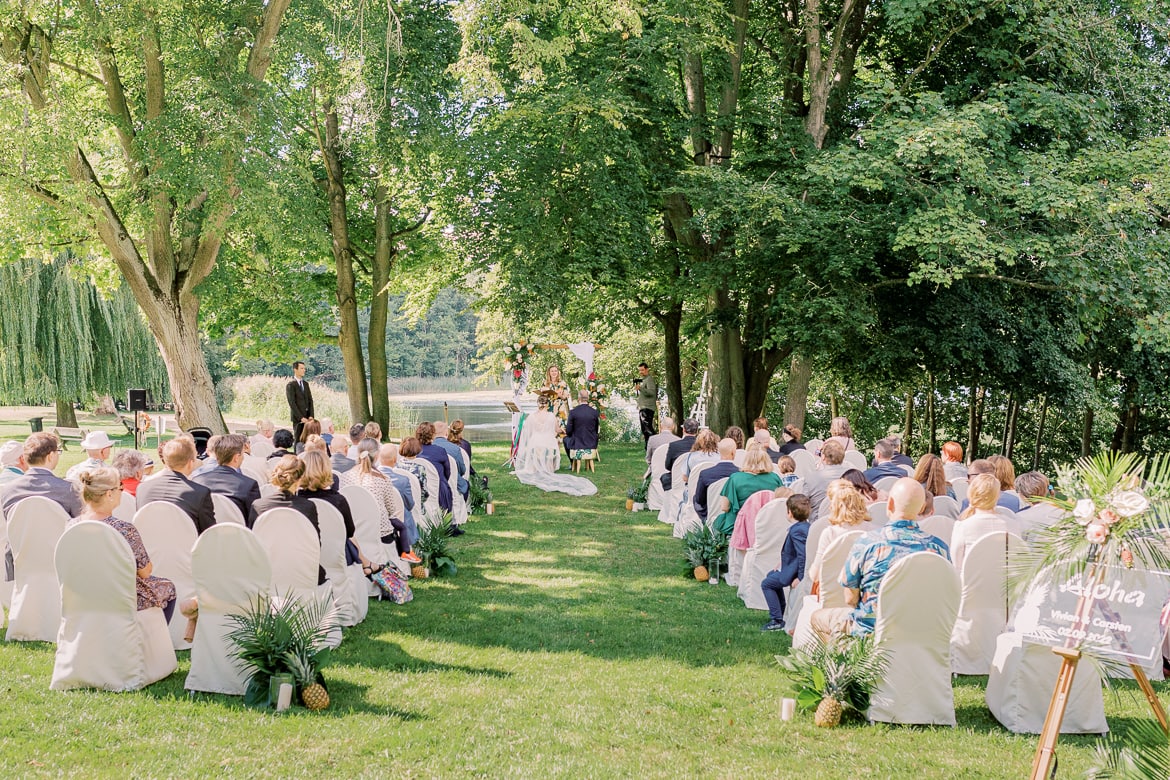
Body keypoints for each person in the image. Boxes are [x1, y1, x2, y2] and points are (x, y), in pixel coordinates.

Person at [811, 478, 950, 638]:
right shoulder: (940, 549)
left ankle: (844, 660)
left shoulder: (867, 543)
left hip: (872, 631)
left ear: (889, 504)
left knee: (817, 618)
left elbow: (850, 599)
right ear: (922, 507)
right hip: (922, 631)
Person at [76, 467, 176, 621]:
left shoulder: (71, 526)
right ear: (109, 494)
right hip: (118, 596)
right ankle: (152, 642)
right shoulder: (124, 529)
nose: (122, 491)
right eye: (120, 487)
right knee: (167, 587)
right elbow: (145, 572)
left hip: (82, 592)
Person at [2, 432, 84, 582]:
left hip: (22, 563)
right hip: (63, 565)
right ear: (51, 456)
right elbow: (80, 530)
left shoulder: (8, 491)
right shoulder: (70, 489)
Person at [251, 455, 328, 584]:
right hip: (300, 571)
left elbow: (253, 543)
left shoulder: (258, 505)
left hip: (266, 571)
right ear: (301, 478)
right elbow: (315, 544)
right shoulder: (307, 507)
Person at [340, 440, 420, 563]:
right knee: (397, 523)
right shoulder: (383, 479)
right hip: (380, 532)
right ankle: (405, 552)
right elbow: (392, 511)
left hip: (352, 529)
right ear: (377, 456)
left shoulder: (345, 477)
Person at [512, 391, 598, 496]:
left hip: (535, 442)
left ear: (538, 403)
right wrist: (562, 430)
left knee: (538, 446)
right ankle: (548, 468)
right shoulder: (551, 416)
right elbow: (557, 430)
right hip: (549, 442)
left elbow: (527, 432)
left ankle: (534, 467)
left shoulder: (531, 417)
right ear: (547, 404)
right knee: (552, 445)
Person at [136, 436, 217, 535]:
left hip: (148, 547)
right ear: (190, 463)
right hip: (188, 548)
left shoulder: (142, 488)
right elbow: (209, 533)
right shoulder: (199, 493)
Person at [760, 494, 812, 632]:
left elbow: (803, 555)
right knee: (770, 576)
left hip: (794, 571)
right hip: (790, 567)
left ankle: (777, 619)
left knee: (766, 584)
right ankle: (781, 613)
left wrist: (800, 578)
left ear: (789, 512)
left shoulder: (797, 530)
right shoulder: (804, 526)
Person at [807, 480, 873, 587]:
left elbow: (815, 576)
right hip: (864, 594)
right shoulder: (874, 530)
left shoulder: (830, 533)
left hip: (834, 597)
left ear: (834, 506)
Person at [951, 473, 1020, 573]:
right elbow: (1018, 562)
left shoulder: (963, 526)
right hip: (1006, 586)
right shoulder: (1012, 525)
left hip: (971, 586)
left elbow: (957, 565)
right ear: (997, 496)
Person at [712, 448, 783, 536]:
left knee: (716, 523)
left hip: (740, 525)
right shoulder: (775, 478)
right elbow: (782, 503)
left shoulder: (735, 478)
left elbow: (724, 507)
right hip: (768, 523)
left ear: (746, 461)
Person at [192, 433, 262, 521]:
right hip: (238, 532)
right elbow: (254, 520)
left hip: (206, 532)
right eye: (242, 455)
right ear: (236, 457)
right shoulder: (249, 485)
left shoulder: (197, 480)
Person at [378, 443, 420, 547]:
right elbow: (410, 505)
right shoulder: (403, 481)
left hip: (376, 520)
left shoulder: (368, 478)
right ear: (395, 459)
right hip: (399, 522)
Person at [801, 440, 850, 521]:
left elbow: (802, 504)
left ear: (823, 457)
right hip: (846, 522)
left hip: (818, 524)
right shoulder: (852, 475)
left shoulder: (811, 477)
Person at [693, 438, 739, 523]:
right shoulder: (740, 474)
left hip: (711, 515)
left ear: (718, 451)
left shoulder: (705, 474)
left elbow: (699, 499)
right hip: (734, 517)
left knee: (695, 498)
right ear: (733, 452)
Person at [415, 421, 453, 512]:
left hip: (417, 487)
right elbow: (448, 472)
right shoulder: (440, 451)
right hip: (438, 488)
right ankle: (446, 520)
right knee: (444, 486)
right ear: (433, 435)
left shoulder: (413, 451)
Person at [660, 418, 699, 491]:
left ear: (683, 429)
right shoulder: (702, 446)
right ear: (697, 431)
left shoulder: (674, 445)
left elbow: (668, 466)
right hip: (697, 479)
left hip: (678, 479)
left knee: (665, 477)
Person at [434, 421, 469, 499]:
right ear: (446, 433)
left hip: (431, 484)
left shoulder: (423, 449)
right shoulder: (455, 449)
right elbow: (462, 470)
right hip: (453, 484)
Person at [563, 390, 600, 459]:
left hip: (577, 444)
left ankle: (572, 463)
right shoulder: (594, 412)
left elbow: (568, 431)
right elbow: (596, 429)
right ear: (588, 398)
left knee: (565, 439)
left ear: (579, 398)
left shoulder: (573, 412)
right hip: (591, 444)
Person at [285, 361, 314, 442]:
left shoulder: (305, 384)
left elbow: (310, 400)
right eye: (301, 368)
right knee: (298, 440)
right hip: (298, 419)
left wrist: (311, 415)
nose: (304, 370)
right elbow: (292, 403)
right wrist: (301, 418)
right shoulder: (291, 385)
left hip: (308, 419)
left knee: (308, 440)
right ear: (295, 369)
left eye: (304, 368)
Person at [634, 362, 658, 445]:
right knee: (644, 429)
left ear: (647, 369)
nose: (641, 372)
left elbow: (651, 392)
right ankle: (648, 447)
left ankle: (656, 444)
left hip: (647, 408)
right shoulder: (644, 380)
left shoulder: (649, 379)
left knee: (647, 428)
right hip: (643, 407)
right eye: (639, 370)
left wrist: (640, 388)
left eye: (642, 370)